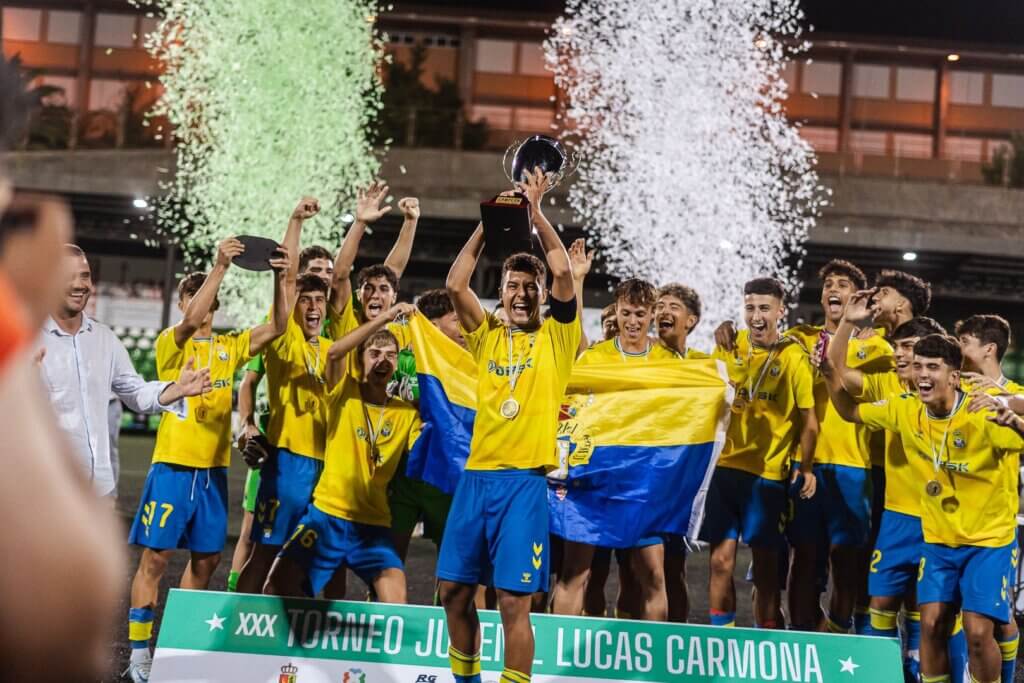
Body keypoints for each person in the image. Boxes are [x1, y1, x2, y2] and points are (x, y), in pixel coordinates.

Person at [124, 237, 290, 682]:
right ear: (183, 303)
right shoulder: (171, 343)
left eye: (211, 300)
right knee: (155, 560)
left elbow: (279, 325)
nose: (204, 307)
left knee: (206, 562)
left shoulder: (229, 347)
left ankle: (173, 649)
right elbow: (192, 320)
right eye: (195, 298)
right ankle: (138, 654)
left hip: (213, 473)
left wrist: (280, 277)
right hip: (173, 469)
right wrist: (219, 266)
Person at [438, 167, 579, 683]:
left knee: (513, 603)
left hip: (523, 484)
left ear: (541, 295)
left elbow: (563, 273)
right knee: (453, 593)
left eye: (530, 287)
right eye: (512, 286)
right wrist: (490, 221)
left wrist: (535, 214)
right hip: (476, 479)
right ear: (500, 291)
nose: (521, 294)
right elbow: (455, 284)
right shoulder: (488, 337)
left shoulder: (558, 338)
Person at [830, 333, 1024, 683]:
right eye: (918, 366)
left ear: (954, 376)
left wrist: (1016, 422)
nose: (922, 374)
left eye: (933, 367)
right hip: (938, 540)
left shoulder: (984, 412)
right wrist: (831, 376)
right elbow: (850, 411)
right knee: (932, 624)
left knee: (978, 632)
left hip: (988, 542)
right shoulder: (904, 408)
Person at [264, 302, 420, 599]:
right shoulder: (344, 392)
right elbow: (335, 352)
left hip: (372, 525)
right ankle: (307, 627)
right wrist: (386, 317)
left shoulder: (406, 413)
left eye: (390, 355)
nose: (383, 360)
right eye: (374, 353)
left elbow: (420, 449)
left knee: (396, 599)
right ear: (360, 360)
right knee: (276, 586)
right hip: (327, 516)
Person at [826, 308, 950, 681]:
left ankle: (920, 668)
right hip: (896, 514)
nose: (899, 354)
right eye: (897, 346)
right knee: (880, 598)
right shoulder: (890, 390)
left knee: (934, 611)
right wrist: (848, 324)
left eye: (908, 347)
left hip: (944, 519)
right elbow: (840, 378)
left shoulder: (961, 395)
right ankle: (874, 673)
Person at [39, 245, 211, 497]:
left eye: (85, 276)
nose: (79, 285)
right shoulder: (29, 339)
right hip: (46, 489)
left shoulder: (104, 338)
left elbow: (136, 393)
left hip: (99, 489)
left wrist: (177, 389)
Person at [551, 277, 674, 622]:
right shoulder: (595, 357)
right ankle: (558, 648)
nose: (632, 321)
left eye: (639, 314)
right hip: (595, 480)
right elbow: (571, 405)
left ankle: (653, 654)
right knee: (575, 572)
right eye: (625, 313)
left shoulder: (666, 361)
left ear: (651, 315)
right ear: (616, 312)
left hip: (641, 484)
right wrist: (576, 280)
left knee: (653, 576)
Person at [784, 260, 894, 633]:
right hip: (805, 463)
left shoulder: (880, 349)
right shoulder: (799, 338)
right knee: (803, 554)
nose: (833, 288)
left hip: (854, 466)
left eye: (843, 284)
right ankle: (801, 634)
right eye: (828, 283)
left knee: (846, 558)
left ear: (857, 297)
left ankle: (837, 632)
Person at [702, 277, 817, 629]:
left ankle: (765, 643)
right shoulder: (728, 344)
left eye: (765, 308)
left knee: (766, 571)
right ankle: (721, 641)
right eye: (750, 307)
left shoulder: (793, 356)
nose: (756, 316)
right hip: (723, 470)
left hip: (766, 477)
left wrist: (806, 466)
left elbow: (809, 422)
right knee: (719, 563)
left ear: (781, 311)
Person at [228, 242, 335, 592]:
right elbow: (285, 290)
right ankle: (238, 619)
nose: (314, 306)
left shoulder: (331, 347)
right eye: (306, 300)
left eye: (319, 300)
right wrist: (295, 223)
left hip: (326, 465)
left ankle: (289, 621)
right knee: (262, 548)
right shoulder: (283, 336)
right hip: (287, 461)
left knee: (309, 558)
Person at [957, 314, 1022, 683]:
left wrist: (1000, 397)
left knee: (999, 617)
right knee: (953, 614)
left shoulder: (1015, 393)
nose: (959, 348)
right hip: (950, 521)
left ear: (989, 349)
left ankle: (1005, 676)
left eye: (965, 341)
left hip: (995, 527)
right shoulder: (953, 386)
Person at [387, 289, 462, 570]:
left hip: (444, 475)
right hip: (403, 473)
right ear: (432, 327)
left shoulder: (467, 364)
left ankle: (445, 603)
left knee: (452, 563)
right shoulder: (400, 360)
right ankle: (381, 600)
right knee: (388, 558)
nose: (464, 328)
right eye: (456, 320)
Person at [654, 282, 709, 623]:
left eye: (673, 306)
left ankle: (675, 636)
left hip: (676, 486)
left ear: (691, 320)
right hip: (639, 479)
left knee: (674, 567)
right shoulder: (641, 357)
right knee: (635, 568)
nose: (663, 311)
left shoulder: (705, 366)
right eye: (660, 306)